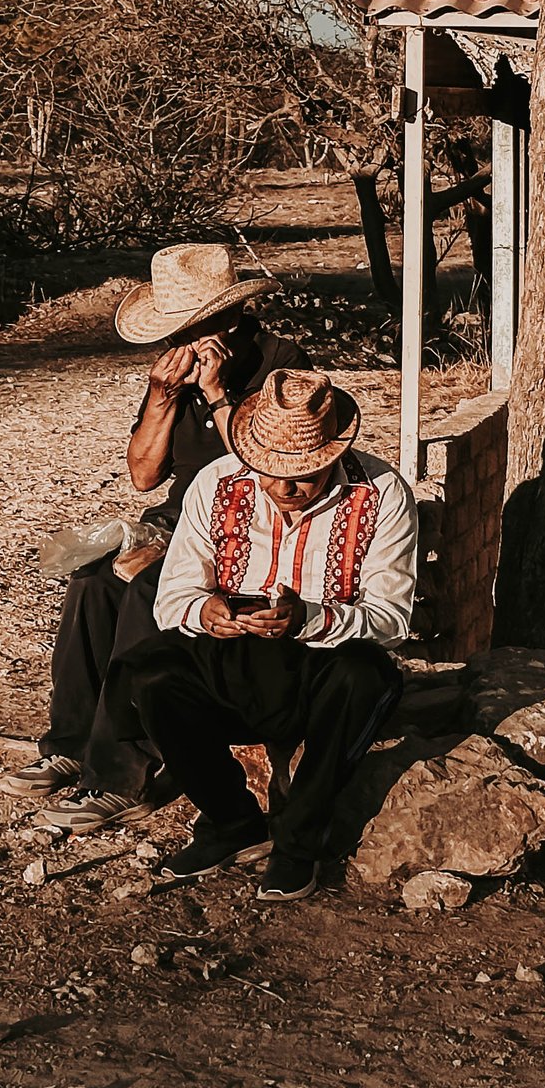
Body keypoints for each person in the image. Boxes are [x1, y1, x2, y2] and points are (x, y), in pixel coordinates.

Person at [2, 243, 301, 833]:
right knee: (92, 583)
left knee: (149, 593)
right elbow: (144, 474)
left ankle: (122, 772)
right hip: (180, 516)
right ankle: (71, 741)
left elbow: (268, 467)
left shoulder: (279, 364)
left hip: (250, 523)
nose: (179, 341)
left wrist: (219, 396)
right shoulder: (173, 372)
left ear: (224, 320)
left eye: (188, 328)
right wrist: (163, 397)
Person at [103, 369, 417, 902]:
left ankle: (298, 844)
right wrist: (207, 611)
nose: (283, 488)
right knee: (150, 675)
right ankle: (230, 822)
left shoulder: (381, 492)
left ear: (333, 456)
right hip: (233, 659)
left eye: (302, 475)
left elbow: (391, 619)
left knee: (366, 677)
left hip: (323, 666)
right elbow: (172, 597)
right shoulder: (216, 482)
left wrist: (309, 618)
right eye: (269, 473)